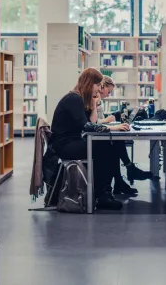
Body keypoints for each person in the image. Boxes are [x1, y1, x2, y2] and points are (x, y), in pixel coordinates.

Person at [48, 68, 130, 210]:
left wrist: (93, 104)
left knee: (108, 146)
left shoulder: (78, 98)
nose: (99, 89)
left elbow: (91, 123)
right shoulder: (74, 99)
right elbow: (87, 126)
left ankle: (104, 193)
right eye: (98, 85)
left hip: (72, 141)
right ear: (89, 83)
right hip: (65, 146)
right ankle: (103, 195)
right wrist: (113, 128)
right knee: (106, 148)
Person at [94, 76, 152, 195]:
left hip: (96, 134)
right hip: (92, 138)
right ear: (102, 86)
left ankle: (123, 178)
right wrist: (106, 121)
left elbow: (97, 120)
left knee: (116, 140)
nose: (109, 95)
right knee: (116, 143)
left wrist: (107, 119)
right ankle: (127, 171)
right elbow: (94, 122)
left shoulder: (97, 99)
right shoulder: (94, 98)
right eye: (109, 91)